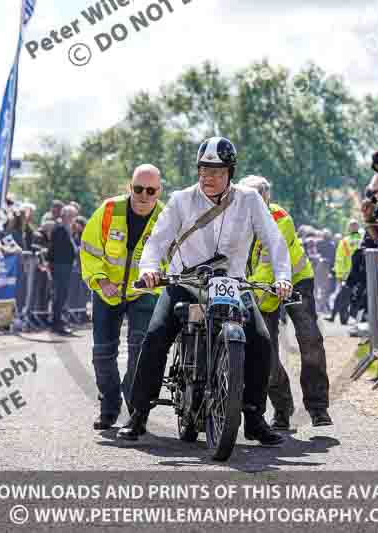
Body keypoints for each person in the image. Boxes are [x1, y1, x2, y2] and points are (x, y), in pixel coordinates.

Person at [118, 137, 292, 446]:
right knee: (156, 336)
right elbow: (156, 242)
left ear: (231, 172)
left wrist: (282, 278)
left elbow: (275, 241)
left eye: (217, 171)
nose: (208, 177)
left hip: (233, 285)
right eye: (203, 170)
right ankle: (139, 414)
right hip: (185, 283)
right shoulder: (181, 200)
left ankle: (253, 417)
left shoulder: (250, 199)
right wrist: (148, 270)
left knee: (262, 342)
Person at [240, 175, 332, 429]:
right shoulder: (236, 219)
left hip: (294, 281)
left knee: (310, 340)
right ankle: (282, 408)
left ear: (267, 198)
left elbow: (271, 264)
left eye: (259, 199)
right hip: (258, 288)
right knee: (264, 351)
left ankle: (317, 407)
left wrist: (251, 297)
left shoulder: (281, 220)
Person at [80, 165, 166, 429]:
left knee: (141, 353)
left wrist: (157, 276)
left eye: (150, 191)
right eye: (138, 188)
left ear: (158, 191)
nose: (143, 195)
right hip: (108, 292)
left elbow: (174, 257)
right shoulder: (108, 210)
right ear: (130, 187)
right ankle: (109, 408)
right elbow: (89, 250)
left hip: (145, 292)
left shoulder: (167, 217)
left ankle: (136, 409)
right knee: (103, 354)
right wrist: (102, 281)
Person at [46, 204, 79, 335]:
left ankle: (60, 321)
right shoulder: (59, 228)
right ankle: (57, 323)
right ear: (67, 216)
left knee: (62, 295)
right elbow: (59, 250)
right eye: (72, 216)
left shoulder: (66, 228)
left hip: (65, 266)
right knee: (59, 295)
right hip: (60, 266)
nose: (73, 219)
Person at [328, 220, 362, 324]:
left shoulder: (344, 241)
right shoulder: (363, 238)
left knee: (342, 296)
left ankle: (334, 315)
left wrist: (339, 274)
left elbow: (340, 259)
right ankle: (347, 317)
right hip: (361, 273)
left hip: (348, 274)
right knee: (354, 296)